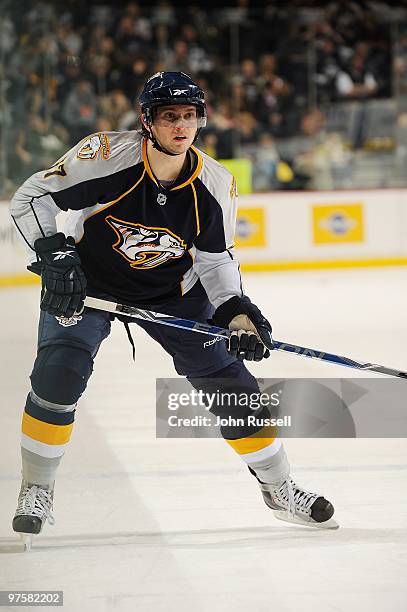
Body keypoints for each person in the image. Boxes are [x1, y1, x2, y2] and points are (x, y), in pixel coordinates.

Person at [9, 72, 337, 548]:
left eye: (189, 116)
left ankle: (278, 487)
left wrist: (236, 313)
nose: (181, 127)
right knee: (58, 374)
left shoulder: (214, 183)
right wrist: (56, 253)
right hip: (91, 286)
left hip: (173, 294)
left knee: (231, 384)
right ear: (147, 121)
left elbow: (215, 259)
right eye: (169, 117)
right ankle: (36, 488)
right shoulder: (104, 156)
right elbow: (31, 197)